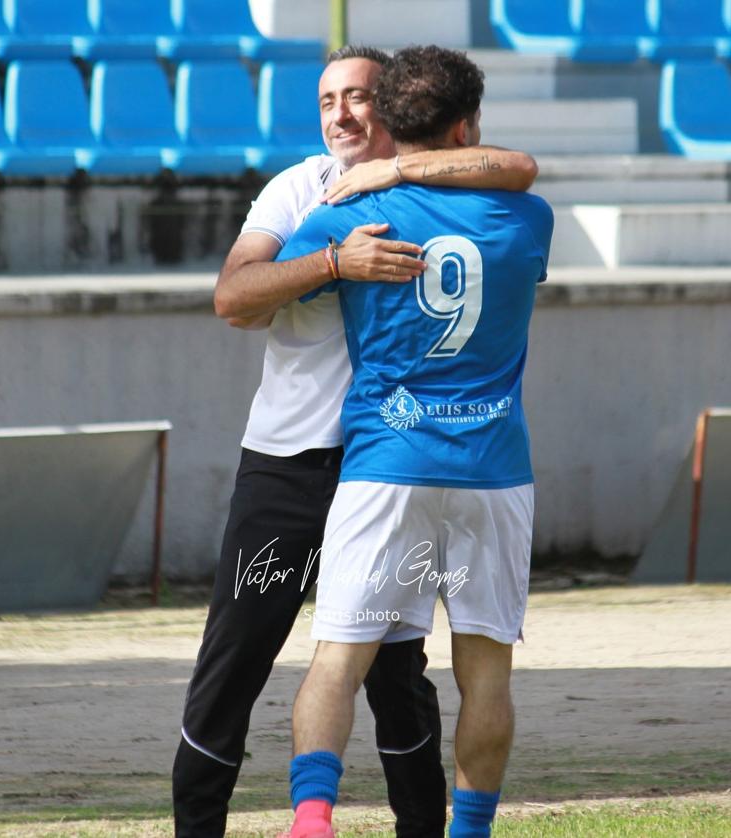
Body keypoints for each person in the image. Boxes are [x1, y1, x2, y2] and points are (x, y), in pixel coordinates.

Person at [172, 45, 540, 838]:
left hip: (380, 463)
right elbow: (234, 297)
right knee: (236, 661)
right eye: (327, 99)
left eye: (359, 97)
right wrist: (336, 260)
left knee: (399, 682)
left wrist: (399, 177)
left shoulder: (444, 183)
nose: (341, 113)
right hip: (293, 470)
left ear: (396, 111)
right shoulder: (302, 190)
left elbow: (515, 163)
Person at [274, 46, 554, 838]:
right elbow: (516, 173)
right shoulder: (528, 219)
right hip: (494, 470)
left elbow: (254, 297)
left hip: (384, 464)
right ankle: (468, 833)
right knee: (486, 670)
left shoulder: (344, 216)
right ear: (467, 125)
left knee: (338, 655)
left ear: (389, 127)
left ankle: (313, 819)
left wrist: (381, 189)